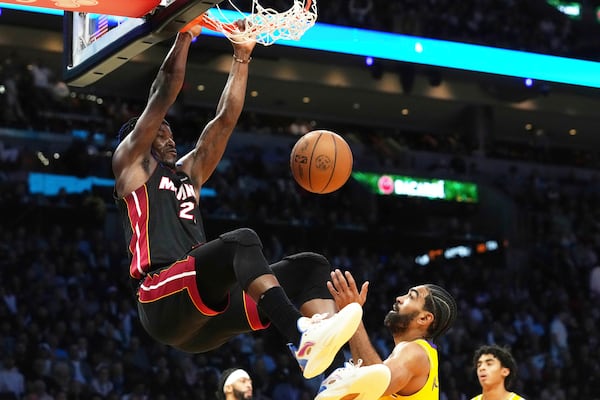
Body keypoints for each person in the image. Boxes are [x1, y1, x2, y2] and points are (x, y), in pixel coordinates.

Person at [111, 20, 362, 381]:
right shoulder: (130, 165)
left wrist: (241, 57)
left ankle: (331, 374)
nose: (170, 138)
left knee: (311, 267)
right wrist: (184, 34)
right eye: (161, 133)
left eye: (170, 133)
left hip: (206, 315)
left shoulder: (189, 174)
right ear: (139, 139)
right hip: (161, 296)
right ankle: (300, 335)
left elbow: (224, 120)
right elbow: (163, 92)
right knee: (240, 240)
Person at [315, 269, 457, 400]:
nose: (399, 298)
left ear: (424, 318)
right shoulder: (423, 354)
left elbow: (376, 382)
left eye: (411, 297)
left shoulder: (414, 352)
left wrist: (352, 313)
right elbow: (369, 378)